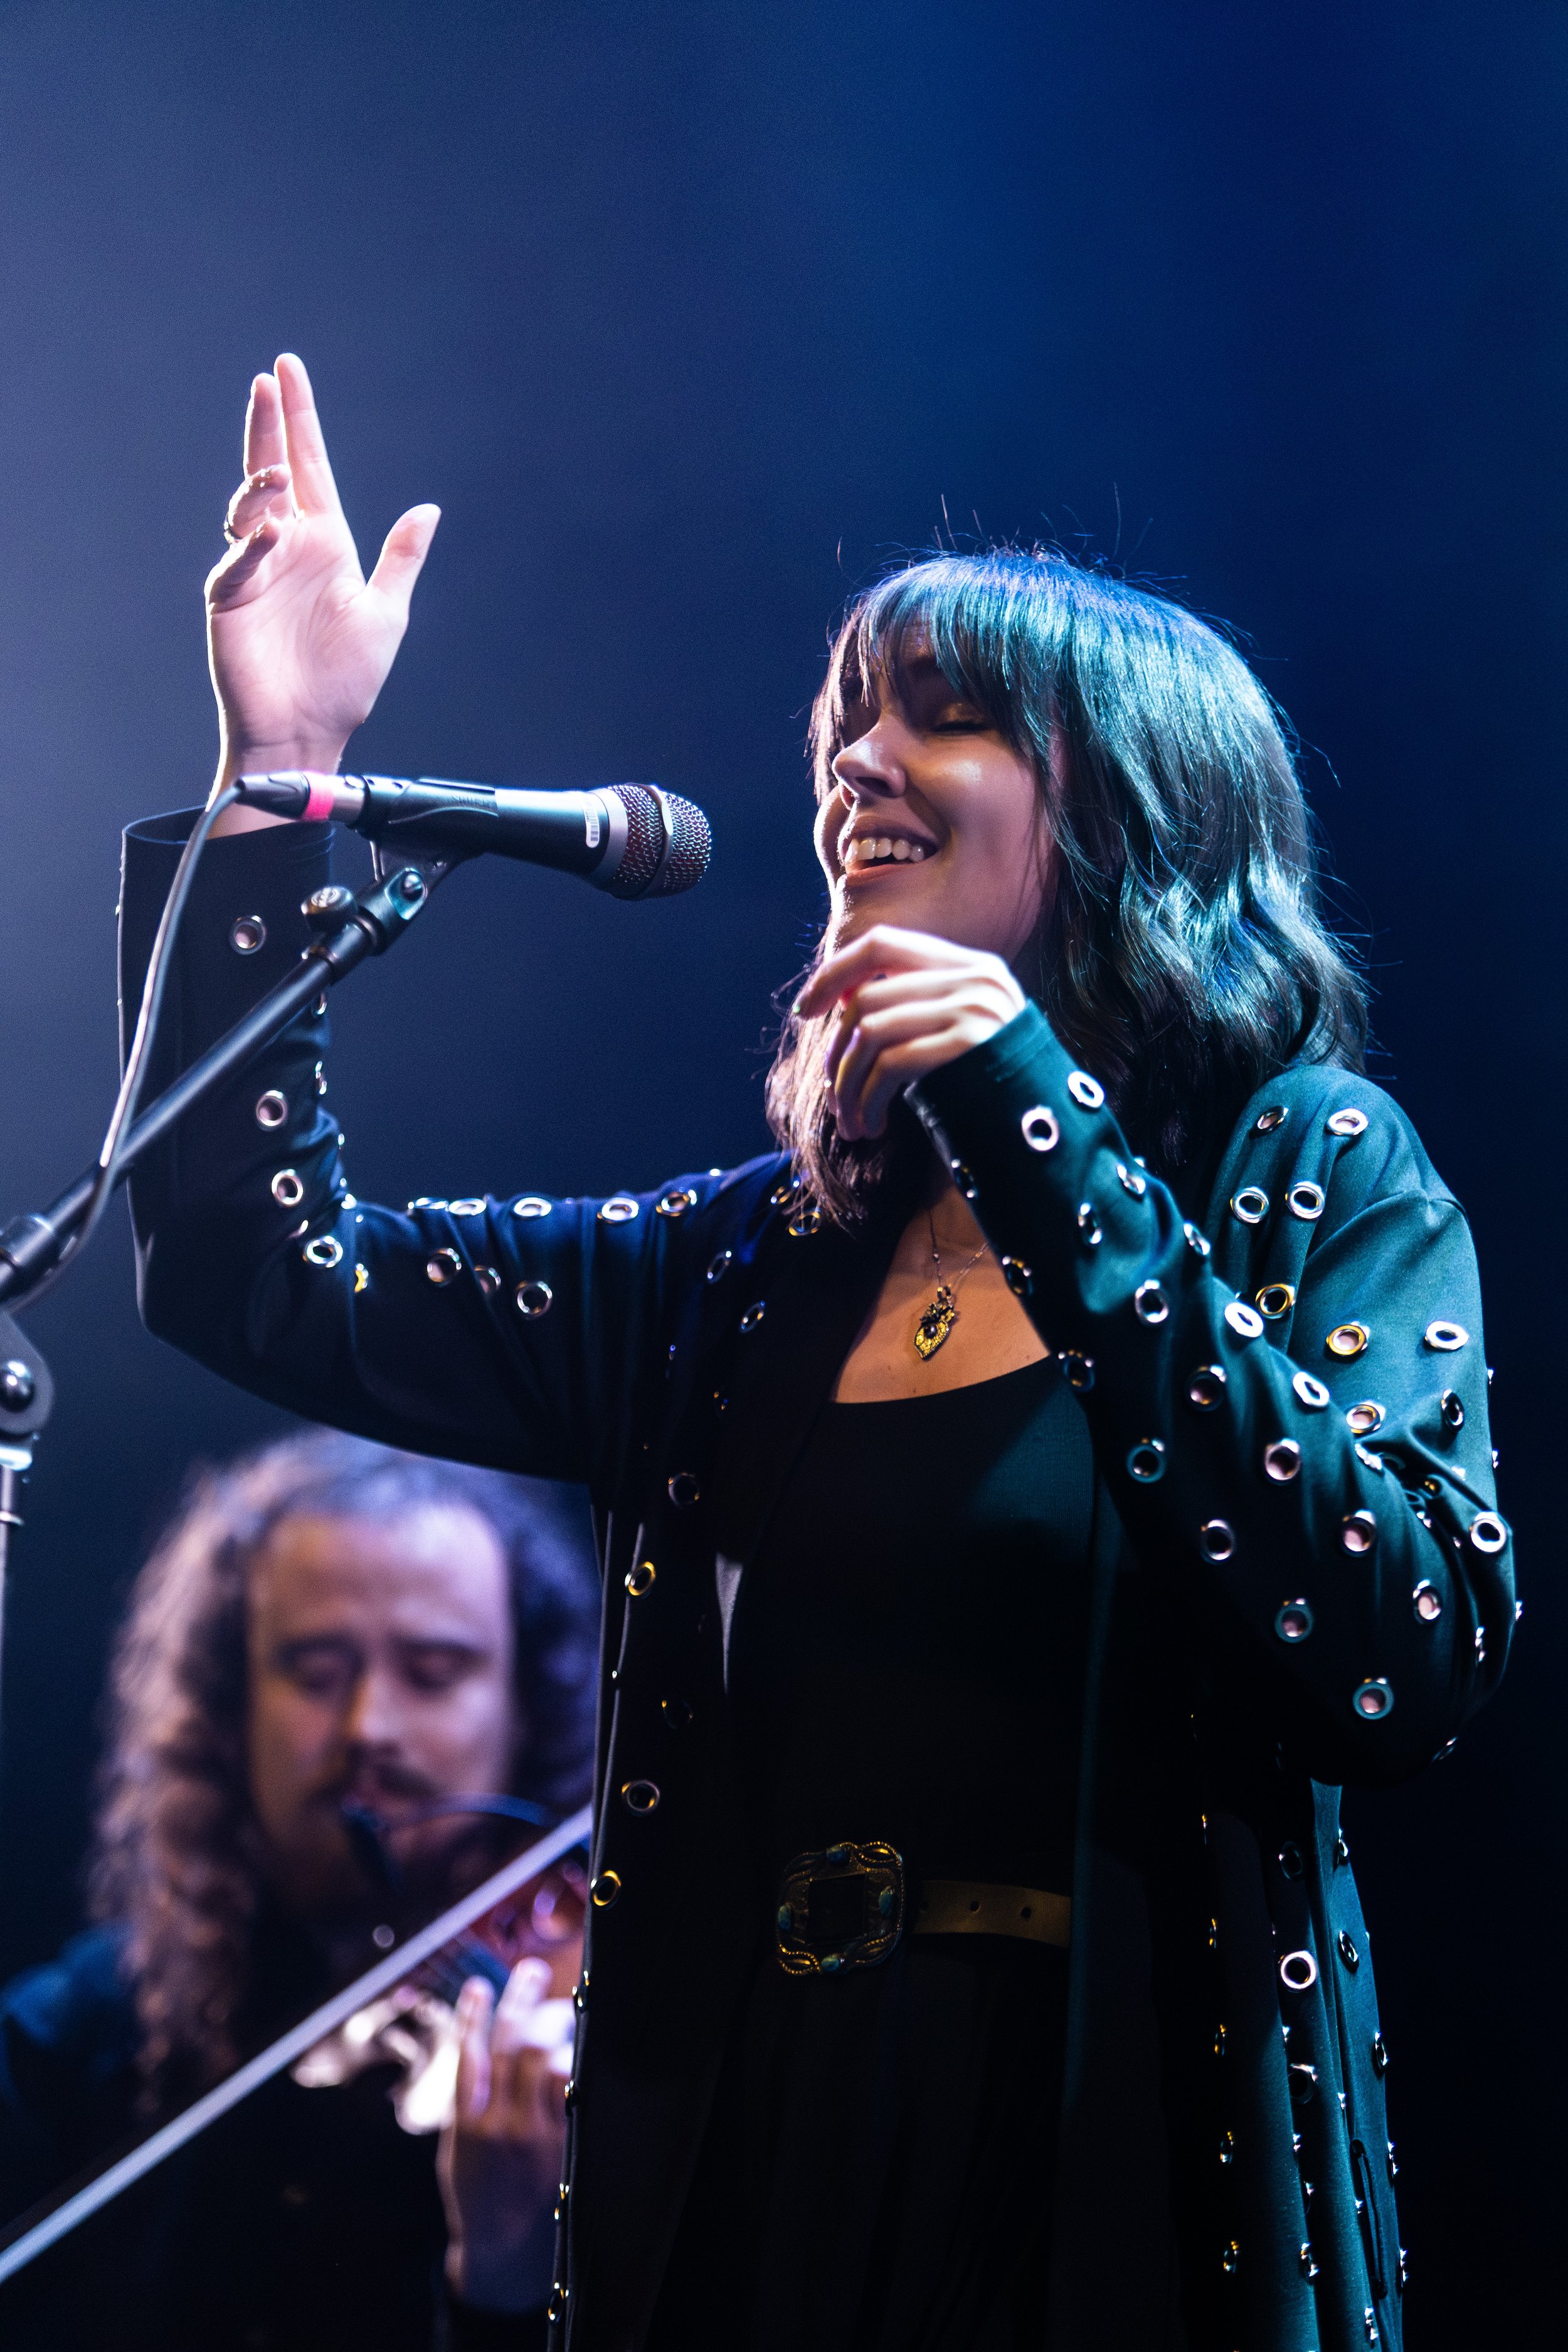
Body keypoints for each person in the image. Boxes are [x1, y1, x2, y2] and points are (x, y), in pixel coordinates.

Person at [115, 352, 1513, 2351]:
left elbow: (1407, 1634)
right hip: (758, 2168)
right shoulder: (751, 1264)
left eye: (938, 717)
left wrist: (1031, 1106)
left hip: (1106, 2153)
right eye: (845, 719)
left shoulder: (1303, 1169)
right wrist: (277, 782)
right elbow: (257, 1268)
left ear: (1122, 807)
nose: (857, 760)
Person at [0, 1428, 598, 2351]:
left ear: (530, 1699)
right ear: (231, 1707)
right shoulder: (79, 2035)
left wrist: (511, 2273)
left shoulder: (594, 2051)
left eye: (435, 1671)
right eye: (317, 1672)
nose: (371, 1726)